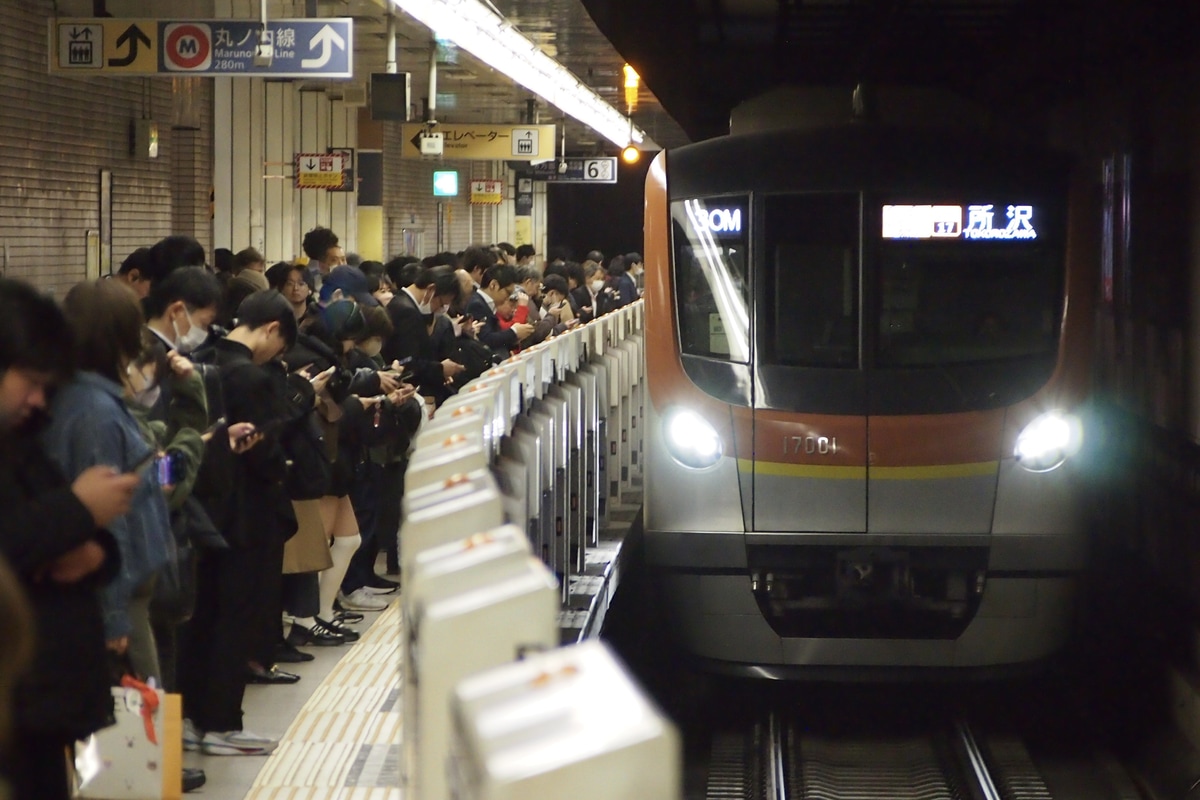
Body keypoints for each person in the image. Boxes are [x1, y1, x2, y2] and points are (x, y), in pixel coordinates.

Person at [0, 278, 138, 800]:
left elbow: (85, 534)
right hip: (17, 700)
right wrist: (80, 509)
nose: (39, 401)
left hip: (41, 705)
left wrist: (95, 550)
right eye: (30, 382)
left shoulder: (21, 440)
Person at [180, 290, 301, 757]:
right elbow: (267, 452)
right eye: (282, 345)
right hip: (249, 516)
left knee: (202, 618)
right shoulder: (253, 377)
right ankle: (222, 722)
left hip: (205, 514)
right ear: (272, 329)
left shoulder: (199, 362)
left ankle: (190, 718)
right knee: (236, 619)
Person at [43, 280, 175, 684]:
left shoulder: (96, 400)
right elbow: (106, 519)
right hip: (119, 598)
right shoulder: (94, 413)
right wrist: (113, 616)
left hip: (127, 592)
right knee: (137, 729)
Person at [466, 264, 535, 358]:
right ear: (493, 285)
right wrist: (514, 332)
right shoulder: (477, 304)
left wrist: (515, 340)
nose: (508, 297)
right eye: (507, 292)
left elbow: (496, 336)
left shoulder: (488, 303)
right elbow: (486, 339)